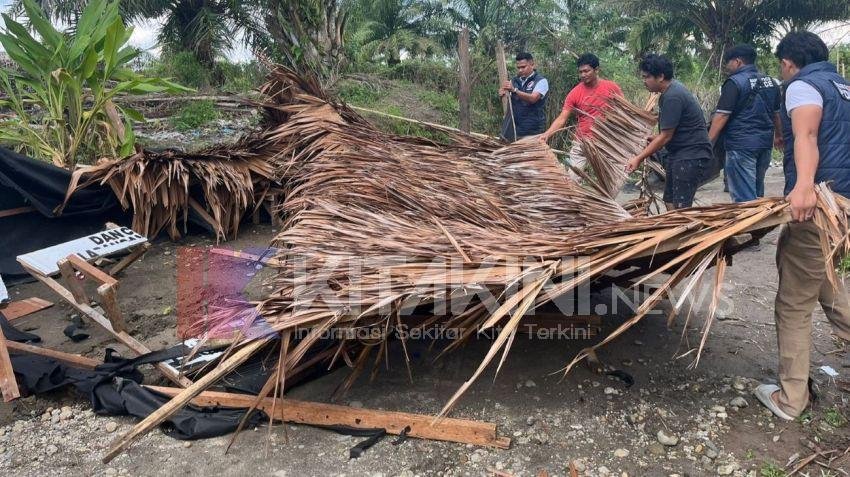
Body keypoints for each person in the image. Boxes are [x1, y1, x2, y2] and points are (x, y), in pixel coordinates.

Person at [754, 31, 850, 421]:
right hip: (844, 204)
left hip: (820, 205)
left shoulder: (802, 85)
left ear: (789, 62)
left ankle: (791, 398)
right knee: (829, 286)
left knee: (793, 302)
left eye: (781, 65)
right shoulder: (844, 87)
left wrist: (804, 187)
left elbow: (807, 134)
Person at [625, 54, 713, 210]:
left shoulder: (673, 96)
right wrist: (656, 137)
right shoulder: (670, 92)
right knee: (670, 201)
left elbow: (666, 137)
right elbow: (670, 131)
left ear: (660, 77)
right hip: (680, 153)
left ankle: (685, 232)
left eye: (646, 77)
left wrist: (638, 158)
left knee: (681, 207)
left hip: (690, 155)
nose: (644, 81)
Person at [707, 44, 782, 202]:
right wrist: (778, 136)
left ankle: (750, 225)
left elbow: (721, 116)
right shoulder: (771, 82)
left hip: (741, 145)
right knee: (757, 190)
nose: (727, 67)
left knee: (744, 198)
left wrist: (708, 143)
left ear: (738, 61)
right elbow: (776, 114)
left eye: (728, 63)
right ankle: (760, 224)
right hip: (764, 144)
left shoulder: (734, 82)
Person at [539, 53, 623, 181]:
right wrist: (547, 134)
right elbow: (562, 118)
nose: (583, 75)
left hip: (606, 141)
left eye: (586, 71)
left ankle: (604, 199)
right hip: (582, 142)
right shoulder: (575, 93)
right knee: (572, 179)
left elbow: (624, 110)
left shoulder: (611, 88)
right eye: (580, 72)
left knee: (611, 180)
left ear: (596, 70)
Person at [499, 53, 548, 142]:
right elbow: (508, 101)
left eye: (523, 67)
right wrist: (502, 94)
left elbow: (533, 98)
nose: (520, 70)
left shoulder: (541, 81)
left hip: (533, 132)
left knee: (532, 155)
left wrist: (515, 90)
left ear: (532, 64)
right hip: (514, 131)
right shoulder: (514, 81)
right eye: (518, 68)